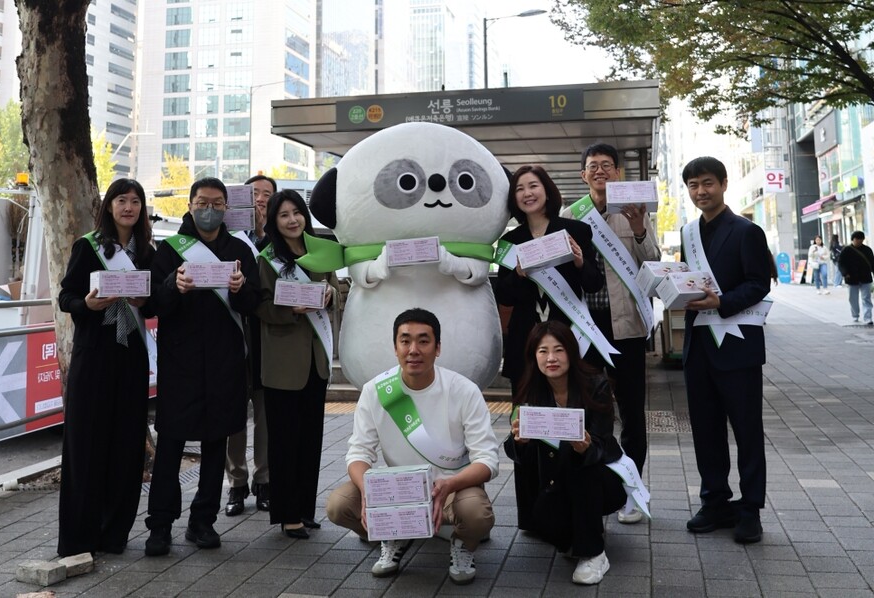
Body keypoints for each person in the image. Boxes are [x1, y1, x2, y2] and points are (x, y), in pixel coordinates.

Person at [325, 308, 499, 585]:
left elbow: (488, 460)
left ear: (438, 348)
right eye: (405, 341)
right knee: (339, 505)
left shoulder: (463, 390)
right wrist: (368, 492)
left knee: (476, 516)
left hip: (452, 486)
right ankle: (393, 533)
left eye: (423, 341)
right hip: (398, 490)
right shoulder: (376, 390)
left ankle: (463, 543)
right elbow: (359, 452)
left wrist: (449, 485)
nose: (413, 349)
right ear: (395, 347)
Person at [144, 177, 261, 556]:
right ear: (190, 205)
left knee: (215, 446)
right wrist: (172, 287)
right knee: (170, 448)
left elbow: (253, 305)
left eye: (216, 203)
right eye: (201, 202)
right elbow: (150, 305)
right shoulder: (170, 249)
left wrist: (242, 288)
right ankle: (159, 526)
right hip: (181, 365)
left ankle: (202, 521)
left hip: (225, 364)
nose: (208, 209)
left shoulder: (238, 249)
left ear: (227, 207)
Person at [494, 164, 603, 532]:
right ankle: (532, 515)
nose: (527, 193)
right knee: (526, 429)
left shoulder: (576, 230)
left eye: (534, 185)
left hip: (568, 344)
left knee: (572, 425)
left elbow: (593, 282)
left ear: (547, 190)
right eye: (520, 188)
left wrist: (578, 260)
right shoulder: (509, 241)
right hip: (527, 346)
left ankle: (576, 510)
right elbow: (503, 292)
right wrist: (520, 274)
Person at [561, 143, 659, 524]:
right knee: (587, 409)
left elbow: (652, 263)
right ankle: (594, 486)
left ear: (618, 173)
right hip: (584, 327)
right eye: (592, 166)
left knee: (632, 411)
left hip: (626, 328)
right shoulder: (570, 216)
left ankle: (632, 492)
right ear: (583, 175)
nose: (599, 171)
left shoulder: (635, 211)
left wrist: (638, 229)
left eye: (606, 165)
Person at [56, 179, 154, 557]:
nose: (128, 207)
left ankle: (114, 534)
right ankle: (79, 538)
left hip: (130, 357)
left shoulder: (147, 251)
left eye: (135, 201)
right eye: (121, 200)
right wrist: (87, 305)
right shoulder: (88, 246)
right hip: (94, 356)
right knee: (86, 446)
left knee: (127, 447)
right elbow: (67, 296)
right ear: (109, 205)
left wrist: (147, 300)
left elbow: (155, 301)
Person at [679, 157, 771, 544]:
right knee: (705, 430)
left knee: (747, 430)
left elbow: (759, 283)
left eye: (707, 183)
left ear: (724, 184)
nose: (701, 192)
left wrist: (722, 302)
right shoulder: (688, 234)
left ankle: (750, 509)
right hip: (699, 346)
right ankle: (714, 500)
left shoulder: (747, 231)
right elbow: (689, 278)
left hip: (737, 347)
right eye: (693, 185)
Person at [505, 321, 633, 585]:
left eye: (559, 350)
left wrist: (586, 447)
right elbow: (512, 449)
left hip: (600, 480)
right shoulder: (529, 389)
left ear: (571, 353)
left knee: (579, 463)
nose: (551, 358)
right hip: (555, 481)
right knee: (554, 530)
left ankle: (595, 554)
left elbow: (603, 443)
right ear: (534, 356)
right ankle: (563, 526)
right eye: (543, 351)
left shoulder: (595, 384)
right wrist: (519, 441)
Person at [255, 190, 338, 539]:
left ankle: (305, 509)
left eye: (296, 213)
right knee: (284, 442)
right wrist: (290, 310)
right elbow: (259, 305)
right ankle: (287, 514)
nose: (292, 220)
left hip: (316, 361)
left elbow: (333, 287)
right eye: (283, 215)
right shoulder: (267, 258)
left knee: (310, 440)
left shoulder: (321, 251)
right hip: (282, 363)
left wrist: (332, 293)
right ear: (274, 222)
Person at [224, 174, 278, 517]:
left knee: (266, 413)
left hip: (269, 339)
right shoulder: (226, 241)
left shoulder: (278, 241)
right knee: (233, 415)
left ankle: (265, 480)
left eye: (267, 195)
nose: (260, 200)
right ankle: (236, 482)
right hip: (231, 337)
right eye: (254, 193)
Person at [838, 231, 874, 325]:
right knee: (853, 298)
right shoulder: (846, 250)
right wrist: (845, 273)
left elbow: (872, 263)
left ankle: (868, 318)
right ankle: (855, 315)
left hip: (865, 277)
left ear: (863, 240)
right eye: (856, 239)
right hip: (851, 278)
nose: (858, 241)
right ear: (853, 239)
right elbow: (841, 263)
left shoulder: (867, 250)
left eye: (860, 239)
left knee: (866, 298)